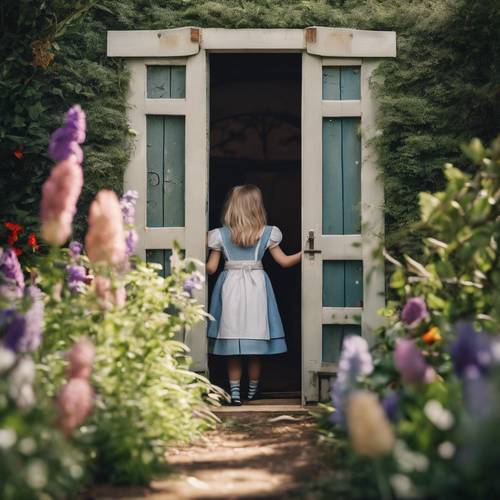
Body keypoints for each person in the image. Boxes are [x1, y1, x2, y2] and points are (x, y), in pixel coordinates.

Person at [206, 184, 301, 405]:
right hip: (257, 285)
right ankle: (253, 392)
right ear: (257, 207)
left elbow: (211, 269)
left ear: (232, 207)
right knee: (255, 343)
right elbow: (285, 262)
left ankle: (236, 395)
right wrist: (308, 253)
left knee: (233, 343)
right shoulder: (268, 233)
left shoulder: (219, 235)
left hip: (229, 286)